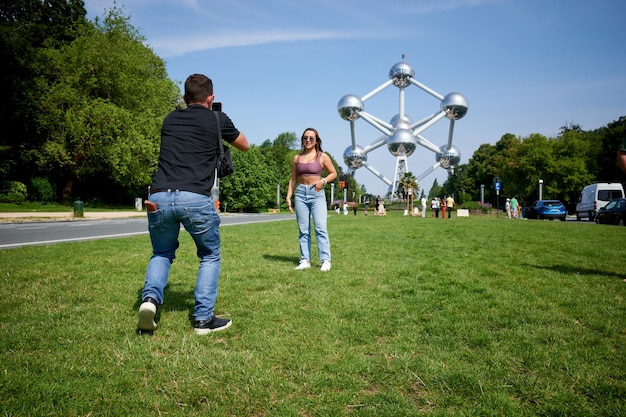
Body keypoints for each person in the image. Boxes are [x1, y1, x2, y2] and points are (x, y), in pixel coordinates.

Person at [137, 74, 249, 335]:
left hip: (159, 196)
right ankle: (202, 320)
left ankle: (150, 302)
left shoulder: (170, 119)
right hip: (195, 197)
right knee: (209, 254)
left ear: (185, 98)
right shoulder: (217, 119)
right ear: (211, 97)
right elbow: (244, 145)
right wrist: (218, 121)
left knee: (162, 253)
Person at [286, 128, 337, 272]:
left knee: (320, 228)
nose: (308, 141)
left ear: (316, 141)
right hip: (301, 193)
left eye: (311, 138)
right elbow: (293, 178)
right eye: (305, 138)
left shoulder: (322, 156)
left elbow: (333, 173)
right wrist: (289, 196)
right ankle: (305, 260)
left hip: (317, 193)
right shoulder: (297, 158)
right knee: (303, 230)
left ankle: (325, 261)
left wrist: (323, 181)